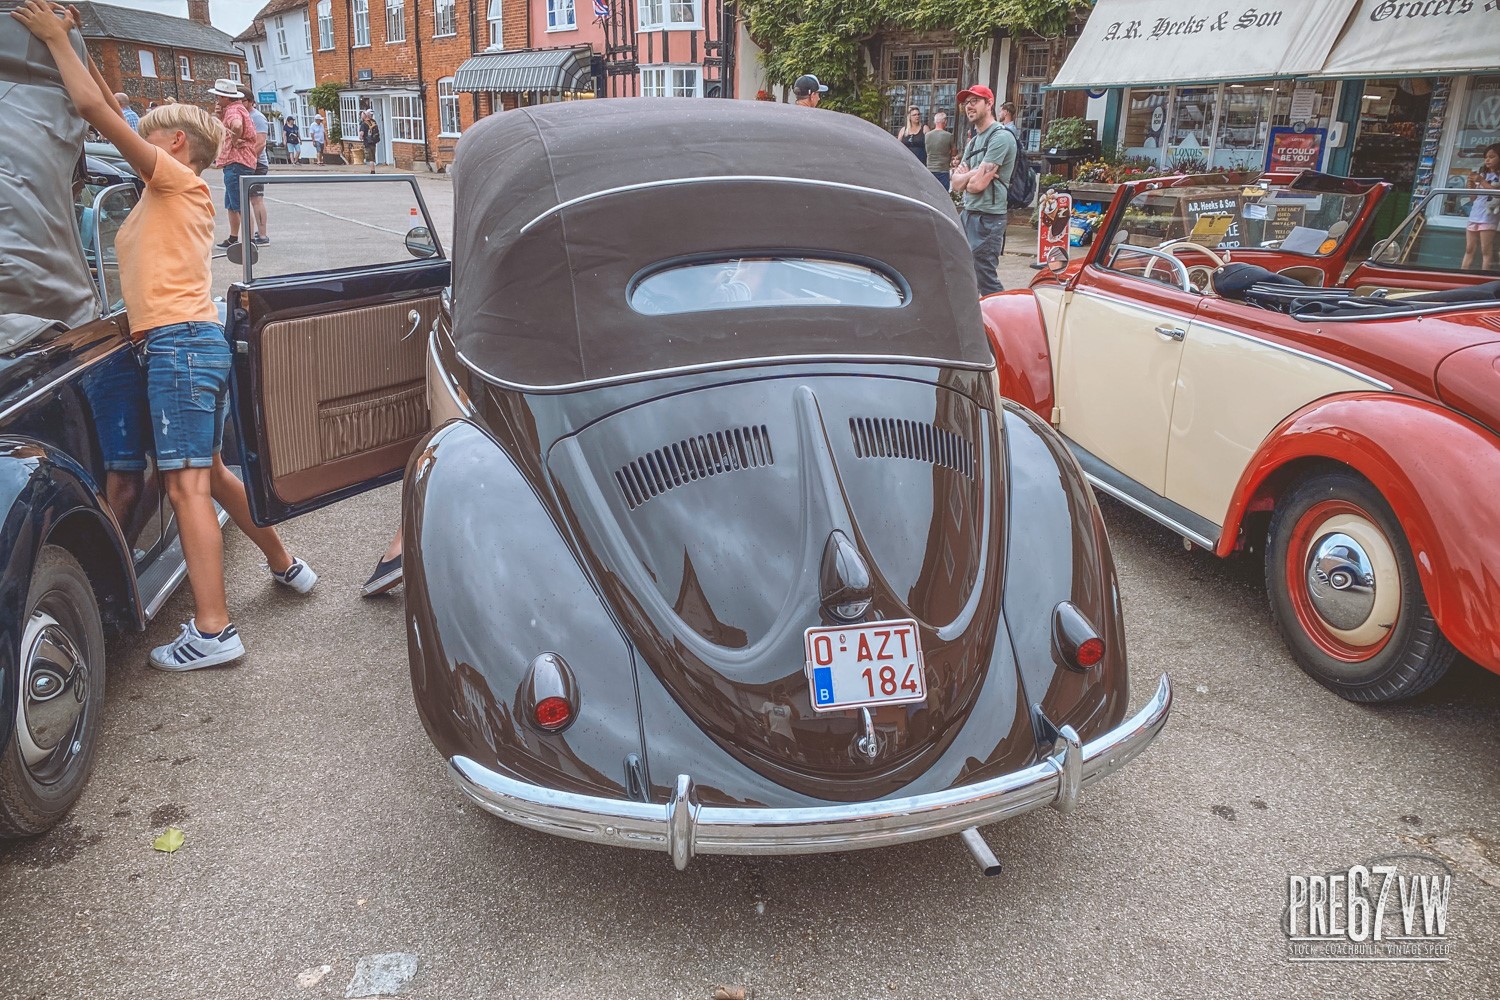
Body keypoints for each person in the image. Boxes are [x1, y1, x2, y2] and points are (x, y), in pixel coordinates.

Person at [13, 0, 317, 672]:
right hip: (172, 342)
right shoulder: (161, 196)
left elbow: (95, 110)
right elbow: (108, 104)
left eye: (149, 135)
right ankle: (286, 562)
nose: (138, 142)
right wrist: (87, 58)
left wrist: (55, 39)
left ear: (175, 145)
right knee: (207, 472)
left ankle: (214, 631)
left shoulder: (176, 180)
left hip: (178, 344)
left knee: (184, 486)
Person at [950, 84, 1017, 297]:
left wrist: (968, 176)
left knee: (984, 275)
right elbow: (956, 183)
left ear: (989, 104)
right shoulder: (974, 141)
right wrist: (973, 174)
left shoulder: (1001, 137)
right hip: (969, 214)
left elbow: (975, 186)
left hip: (989, 218)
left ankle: (1002, 320)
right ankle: (976, 321)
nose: (969, 107)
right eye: (966, 103)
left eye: (974, 101)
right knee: (963, 272)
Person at [208, 76, 255, 249]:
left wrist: (235, 140)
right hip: (236, 163)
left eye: (219, 96)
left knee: (240, 205)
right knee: (232, 204)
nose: (217, 100)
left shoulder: (234, 111)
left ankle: (248, 242)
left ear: (226, 97)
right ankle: (234, 237)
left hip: (237, 162)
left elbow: (236, 126)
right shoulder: (237, 108)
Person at [1461, 143, 1500, 272]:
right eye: (1486, 157)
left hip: (1488, 216)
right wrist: (1471, 186)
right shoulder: (1483, 174)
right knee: (1469, 248)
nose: (1487, 160)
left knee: (1486, 250)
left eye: (1492, 156)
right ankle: (1462, 274)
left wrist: (1482, 182)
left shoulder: (1497, 177)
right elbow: (1473, 199)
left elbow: (1496, 192)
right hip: (1475, 214)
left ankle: (1484, 278)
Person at [240, 85, 270, 245]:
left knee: (256, 199)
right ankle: (256, 234)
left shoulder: (257, 117)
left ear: (250, 101)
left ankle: (263, 235)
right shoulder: (242, 115)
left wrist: (249, 161)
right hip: (248, 161)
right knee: (251, 199)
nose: (238, 103)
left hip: (257, 163)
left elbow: (260, 143)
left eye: (241, 100)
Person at [925, 111, 955, 191]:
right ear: (945, 122)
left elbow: (926, 150)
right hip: (943, 170)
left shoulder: (927, 135)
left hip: (930, 169)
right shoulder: (949, 136)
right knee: (943, 193)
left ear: (935, 122)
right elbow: (954, 151)